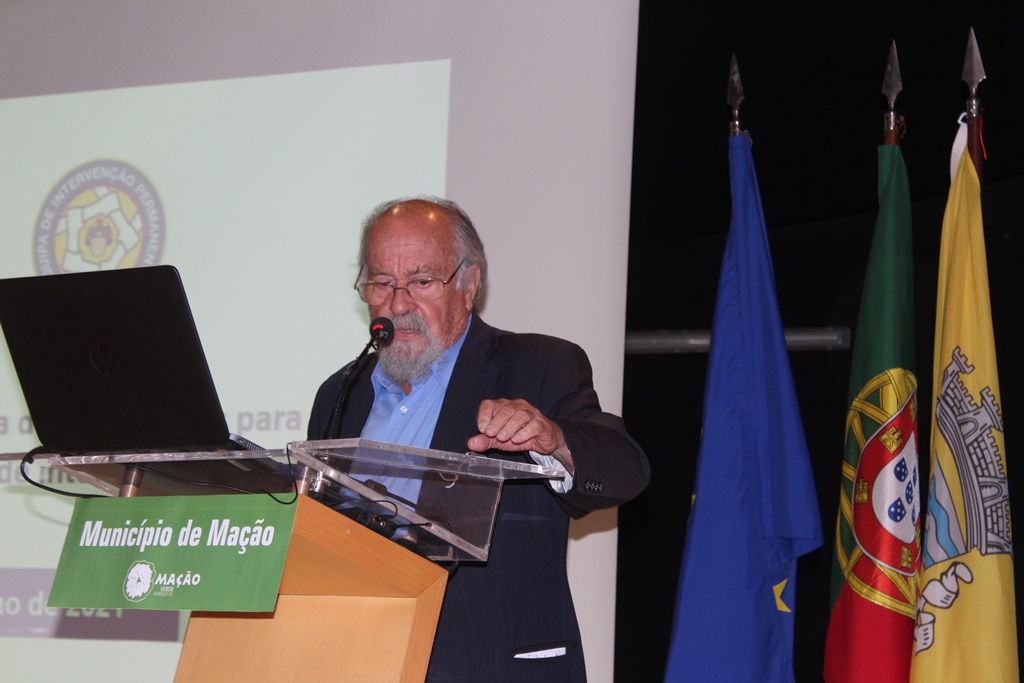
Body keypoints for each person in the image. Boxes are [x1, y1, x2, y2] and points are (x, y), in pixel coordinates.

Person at [307, 197, 649, 682]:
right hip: (362, 660)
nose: (398, 305)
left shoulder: (536, 366)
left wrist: (554, 438)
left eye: (422, 281)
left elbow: (626, 469)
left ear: (469, 284)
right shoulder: (340, 393)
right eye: (382, 283)